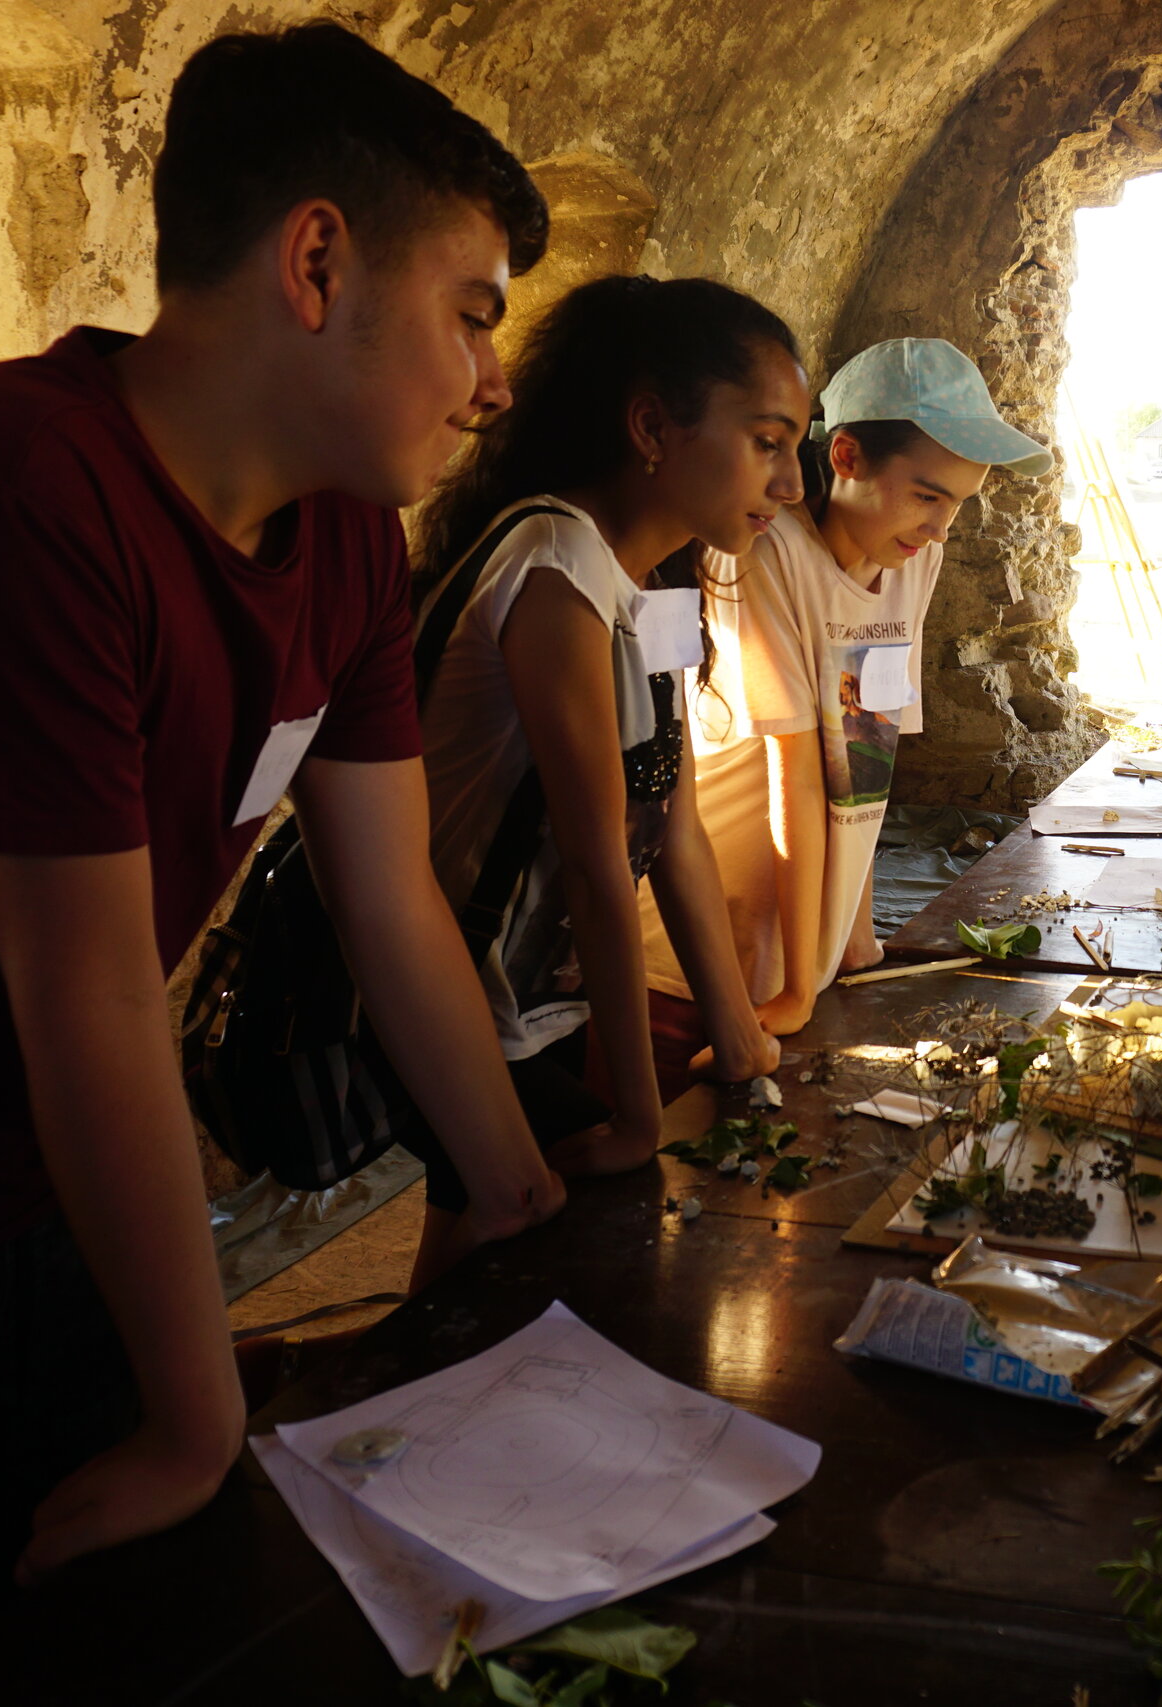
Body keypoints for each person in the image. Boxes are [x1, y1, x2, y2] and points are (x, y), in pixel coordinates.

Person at [0, 24, 568, 1686]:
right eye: (473, 314)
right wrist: (197, 1409)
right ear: (317, 261)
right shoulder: (9, 494)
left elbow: (392, 901)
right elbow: (90, 995)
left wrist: (518, 1197)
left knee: (104, 1616)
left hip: (28, 1165)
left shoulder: (346, 536)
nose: (495, 380)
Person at [403, 276, 801, 1284]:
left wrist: (738, 1035)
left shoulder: (647, 579)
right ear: (652, 428)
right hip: (453, 994)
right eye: (768, 442)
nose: (792, 484)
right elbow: (594, 860)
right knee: (534, 1252)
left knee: (477, 1247)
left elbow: (671, 822)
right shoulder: (556, 566)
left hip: (530, 994)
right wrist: (635, 1112)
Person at [639, 338, 1050, 1042]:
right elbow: (796, 774)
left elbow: (866, 759)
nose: (940, 528)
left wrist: (852, 940)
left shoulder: (913, 560)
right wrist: (800, 985)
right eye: (927, 496)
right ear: (847, 457)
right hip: (706, 969)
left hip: (810, 959)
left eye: (958, 503)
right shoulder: (764, 554)